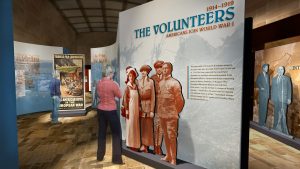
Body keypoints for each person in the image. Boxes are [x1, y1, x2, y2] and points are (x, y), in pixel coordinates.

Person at [159, 62, 184, 165]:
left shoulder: (175, 83)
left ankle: (173, 158)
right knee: (165, 135)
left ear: (170, 69)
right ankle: (168, 155)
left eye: (166, 68)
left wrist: (174, 111)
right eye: (163, 68)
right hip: (162, 114)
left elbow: (180, 101)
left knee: (172, 136)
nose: (164, 70)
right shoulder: (160, 83)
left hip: (171, 115)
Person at [96, 65, 123, 164]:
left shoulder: (99, 83)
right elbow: (119, 95)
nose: (113, 74)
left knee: (101, 133)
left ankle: (99, 156)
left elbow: (99, 95)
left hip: (100, 110)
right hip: (111, 111)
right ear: (111, 73)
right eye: (113, 73)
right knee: (116, 134)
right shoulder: (113, 84)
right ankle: (116, 159)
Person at [138, 65, 155, 153]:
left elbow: (153, 96)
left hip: (148, 106)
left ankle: (146, 146)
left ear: (148, 72)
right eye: (142, 71)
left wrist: (152, 110)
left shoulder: (151, 82)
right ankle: (142, 144)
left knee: (148, 127)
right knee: (141, 126)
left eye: (145, 71)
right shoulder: (138, 82)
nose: (143, 72)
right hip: (140, 107)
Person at [123, 67, 141, 151]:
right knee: (131, 126)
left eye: (132, 76)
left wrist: (139, 107)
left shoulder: (136, 86)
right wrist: (127, 111)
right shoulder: (127, 87)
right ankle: (130, 143)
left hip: (136, 109)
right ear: (128, 77)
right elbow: (125, 100)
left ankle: (136, 144)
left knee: (135, 126)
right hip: (130, 109)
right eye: (130, 76)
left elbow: (138, 98)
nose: (131, 77)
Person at [271, 66, 292, 135]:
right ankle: (275, 128)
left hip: (283, 99)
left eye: (282, 69)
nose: (280, 70)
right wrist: (272, 98)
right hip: (276, 100)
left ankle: (284, 131)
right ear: (277, 70)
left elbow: (289, 89)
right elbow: (272, 89)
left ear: (283, 71)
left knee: (283, 115)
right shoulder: (274, 79)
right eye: (279, 69)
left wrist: (289, 98)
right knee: (276, 114)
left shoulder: (286, 78)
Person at [150, 60, 164, 155]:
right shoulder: (152, 78)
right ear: (155, 69)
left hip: (164, 107)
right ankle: (155, 146)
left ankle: (159, 146)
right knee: (155, 128)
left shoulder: (166, 78)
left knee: (162, 129)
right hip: (155, 107)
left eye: (161, 68)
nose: (159, 70)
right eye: (157, 68)